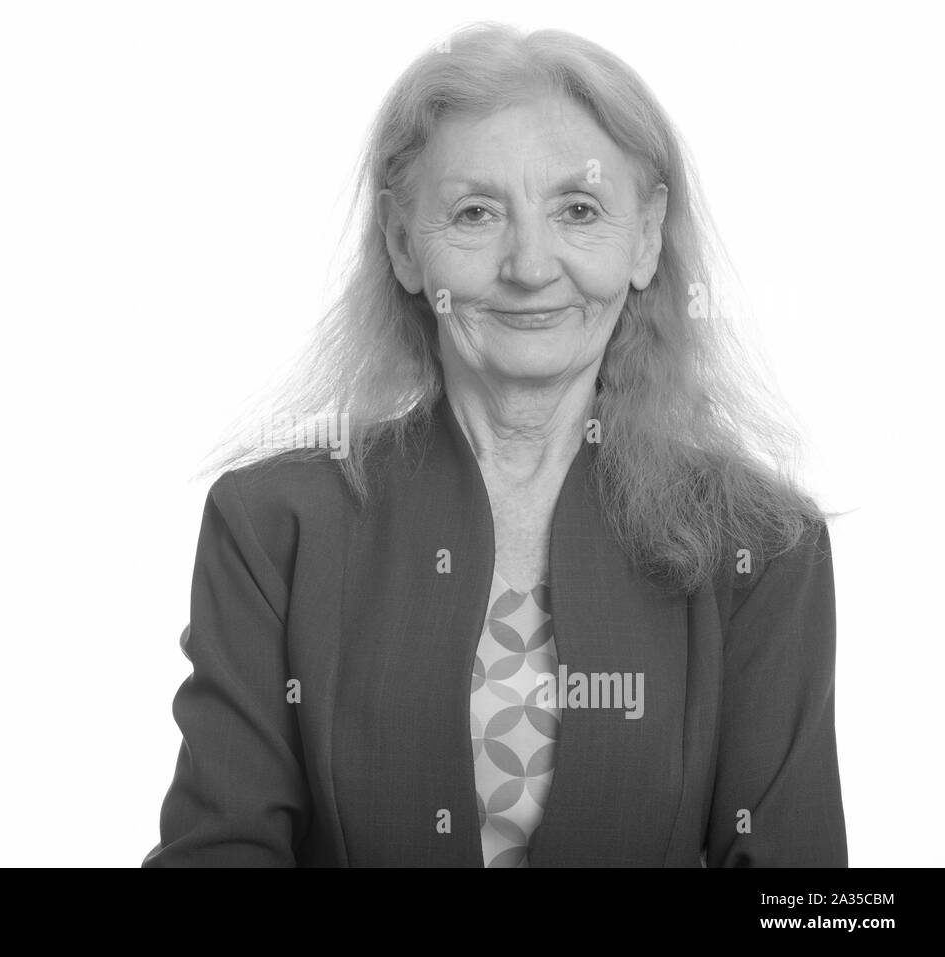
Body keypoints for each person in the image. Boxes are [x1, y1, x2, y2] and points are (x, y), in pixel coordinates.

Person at [143, 22, 847, 867]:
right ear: (405, 244)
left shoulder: (764, 546)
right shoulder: (271, 526)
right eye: (476, 213)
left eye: (578, 210)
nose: (529, 264)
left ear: (646, 236)